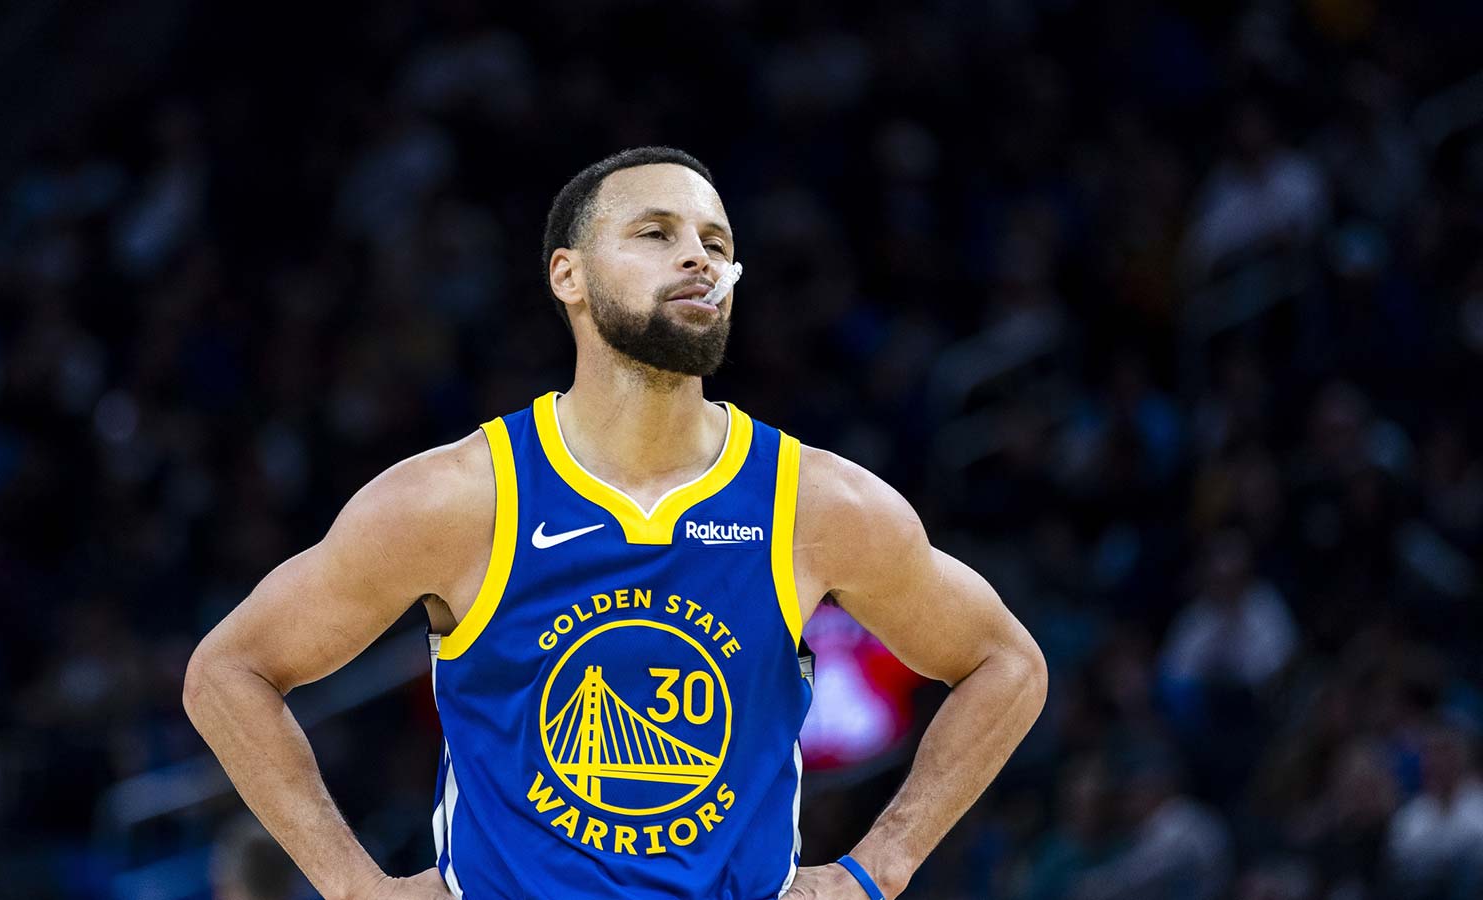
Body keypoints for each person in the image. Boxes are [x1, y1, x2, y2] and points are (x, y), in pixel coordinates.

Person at [182, 146, 1048, 900]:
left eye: (717, 244)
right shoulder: (460, 499)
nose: (699, 257)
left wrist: (876, 869)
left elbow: (1005, 663)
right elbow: (229, 672)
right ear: (569, 276)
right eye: (655, 233)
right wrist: (353, 885)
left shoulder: (817, 504)